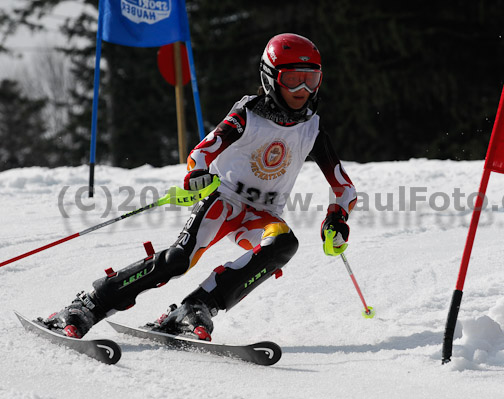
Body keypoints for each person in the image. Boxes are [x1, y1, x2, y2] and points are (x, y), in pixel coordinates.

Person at [44, 33, 357, 341]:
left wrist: (336, 219)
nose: (302, 90)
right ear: (271, 78)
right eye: (292, 79)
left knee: (283, 243)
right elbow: (203, 151)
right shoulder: (248, 114)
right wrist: (198, 174)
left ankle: (196, 307)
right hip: (223, 201)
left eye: (311, 80)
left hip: (260, 214)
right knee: (179, 260)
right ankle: (89, 304)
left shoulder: (312, 129)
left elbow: (343, 187)